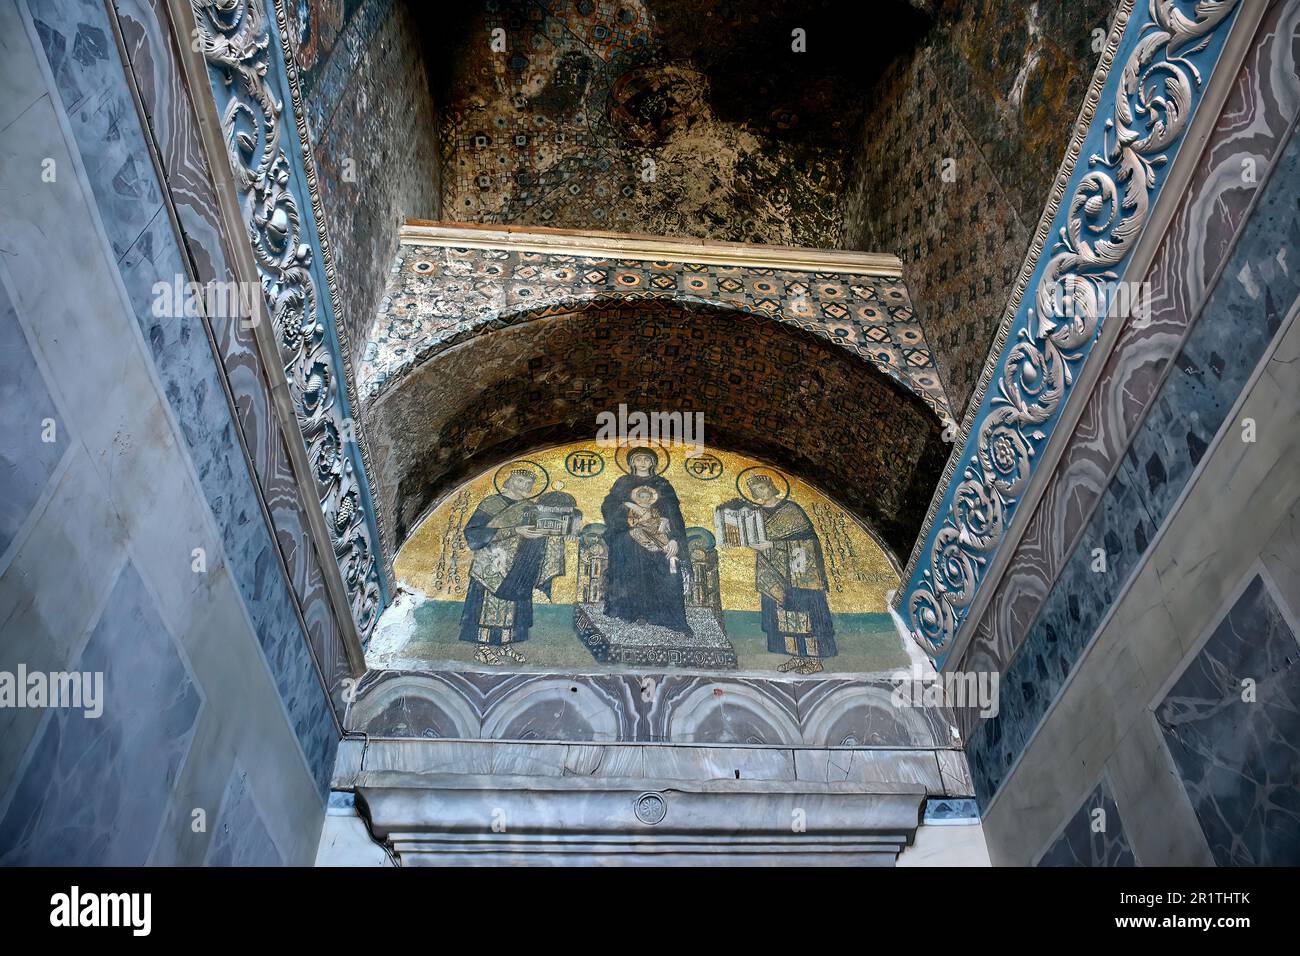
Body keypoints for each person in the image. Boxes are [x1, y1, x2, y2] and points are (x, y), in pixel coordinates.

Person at [458, 469, 567, 665]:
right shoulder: (492, 503)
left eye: (528, 483)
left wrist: (557, 534)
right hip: (492, 565)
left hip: (519, 566)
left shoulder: (530, 507)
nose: (524, 485)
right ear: (507, 482)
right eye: (520, 480)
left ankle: (505, 645)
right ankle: (482, 647)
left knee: (513, 607)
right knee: (489, 605)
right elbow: (474, 534)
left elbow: (543, 530)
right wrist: (515, 530)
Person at [744, 473, 836, 674]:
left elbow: (809, 542)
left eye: (762, 487)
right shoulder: (756, 514)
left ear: (771, 486)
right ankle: (796, 656)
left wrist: (773, 545)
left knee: (805, 614)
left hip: (800, 572)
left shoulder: (791, 510)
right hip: (772, 571)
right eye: (755, 490)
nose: (759, 492)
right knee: (783, 615)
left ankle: (814, 659)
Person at [600, 447, 689, 631]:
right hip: (628, 536)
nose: (642, 463)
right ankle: (632, 612)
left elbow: (673, 513)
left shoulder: (662, 484)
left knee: (667, 564)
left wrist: (674, 539)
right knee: (629, 552)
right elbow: (609, 506)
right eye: (638, 459)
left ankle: (663, 616)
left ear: (653, 464)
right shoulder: (623, 482)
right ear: (632, 462)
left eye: (647, 460)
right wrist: (628, 504)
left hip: (660, 537)